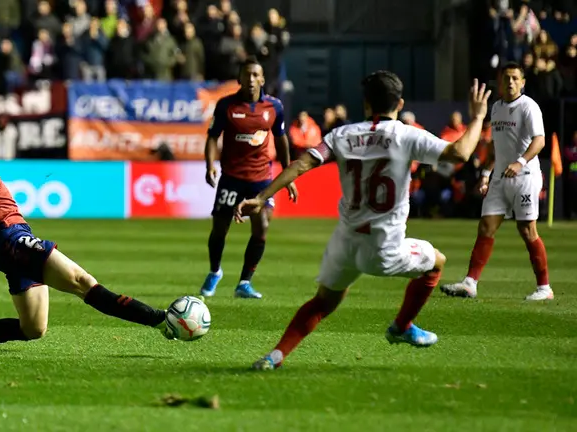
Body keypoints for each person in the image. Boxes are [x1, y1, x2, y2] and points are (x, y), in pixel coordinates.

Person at [236, 71, 491, 370]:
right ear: (400, 103)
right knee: (437, 261)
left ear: (366, 104)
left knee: (323, 302)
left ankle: (274, 356)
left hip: (344, 245)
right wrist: (477, 118)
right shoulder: (406, 135)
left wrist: (261, 196)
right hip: (385, 249)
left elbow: (302, 163)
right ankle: (402, 326)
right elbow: (460, 152)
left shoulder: (342, 135)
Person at [0, 92, 176, 350]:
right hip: (9, 237)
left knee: (33, 328)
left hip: (8, 240)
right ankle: (160, 320)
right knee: (83, 282)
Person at [440, 62, 552, 301]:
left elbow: (540, 141)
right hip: (500, 177)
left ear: (522, 82)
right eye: (506, 78)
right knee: (486, 227)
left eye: (514, 78)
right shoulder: (497, 108)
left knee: (527, 230)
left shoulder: (529, 107)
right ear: (500, 82)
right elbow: (496, 148)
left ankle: (544, 288)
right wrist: (485, 174)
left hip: (525, 177)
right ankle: (470, 283)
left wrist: (520, 162)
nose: (510, 82)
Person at [201, 57, 297, 299]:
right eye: (247, 75)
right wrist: (210, 164)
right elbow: (213, 136)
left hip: (262, 179)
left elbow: (281, 139)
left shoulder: (274, 107)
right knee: (220, 229)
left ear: (262, 79)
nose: (251, 79)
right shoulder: (226, 106)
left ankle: (244, 282)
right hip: (232, 177)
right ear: (239, 79)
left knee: (262, 227)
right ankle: (215, 271)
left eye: (256, 75)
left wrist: (288, 173)